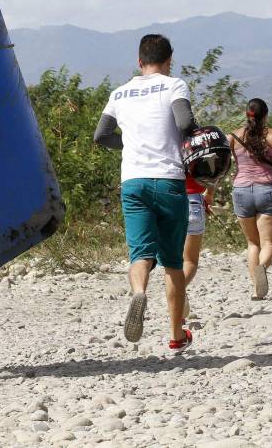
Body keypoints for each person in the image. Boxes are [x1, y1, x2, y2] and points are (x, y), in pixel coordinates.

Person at [94, 34, 198, 354]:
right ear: (168, 61)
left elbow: (101, 136)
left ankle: (139, 291)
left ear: (139, 62)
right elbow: (185, 122)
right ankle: (176, 335)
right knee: (172, 262)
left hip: (133, 182)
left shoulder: (119, 93)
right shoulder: (174, 85)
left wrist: (132, 144)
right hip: (168, 180)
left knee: (140, 253)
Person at [228, 98, 272, 299]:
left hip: (241, 191)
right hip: (267, 190)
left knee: (252, 243)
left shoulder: (234, 135)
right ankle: (262, 267)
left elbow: (219, 157)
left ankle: (257, 290)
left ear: (246, 114)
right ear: (265, 115)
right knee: (269, 243)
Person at [182, 174, 214, 320]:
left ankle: (175, 290)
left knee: (171, 260)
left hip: (165, 199)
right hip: (193, 200)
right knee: (190, 261)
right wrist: (210, 192)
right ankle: (178, 289)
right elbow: (214, 170)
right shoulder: (195, 148)